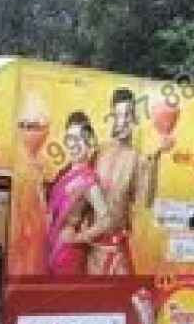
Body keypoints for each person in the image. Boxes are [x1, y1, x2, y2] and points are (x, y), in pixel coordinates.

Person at [75, 88, 173, 276]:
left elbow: (146, 201)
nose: (123, 121)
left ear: (134, 119)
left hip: (116, 255)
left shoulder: (137, 158)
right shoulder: (97, 152)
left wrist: (156, 157)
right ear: (112, 117)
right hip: (90, 251)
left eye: (128, 115)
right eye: (118, 115)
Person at [40, 112, 112, 276]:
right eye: (70, 139)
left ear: (89, 142)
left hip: (68, 254)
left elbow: (107, 220)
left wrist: (78, 238)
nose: (73, 144)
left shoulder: (88, 179)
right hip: (50, 247)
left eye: (79, 139)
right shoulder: (64, 174)